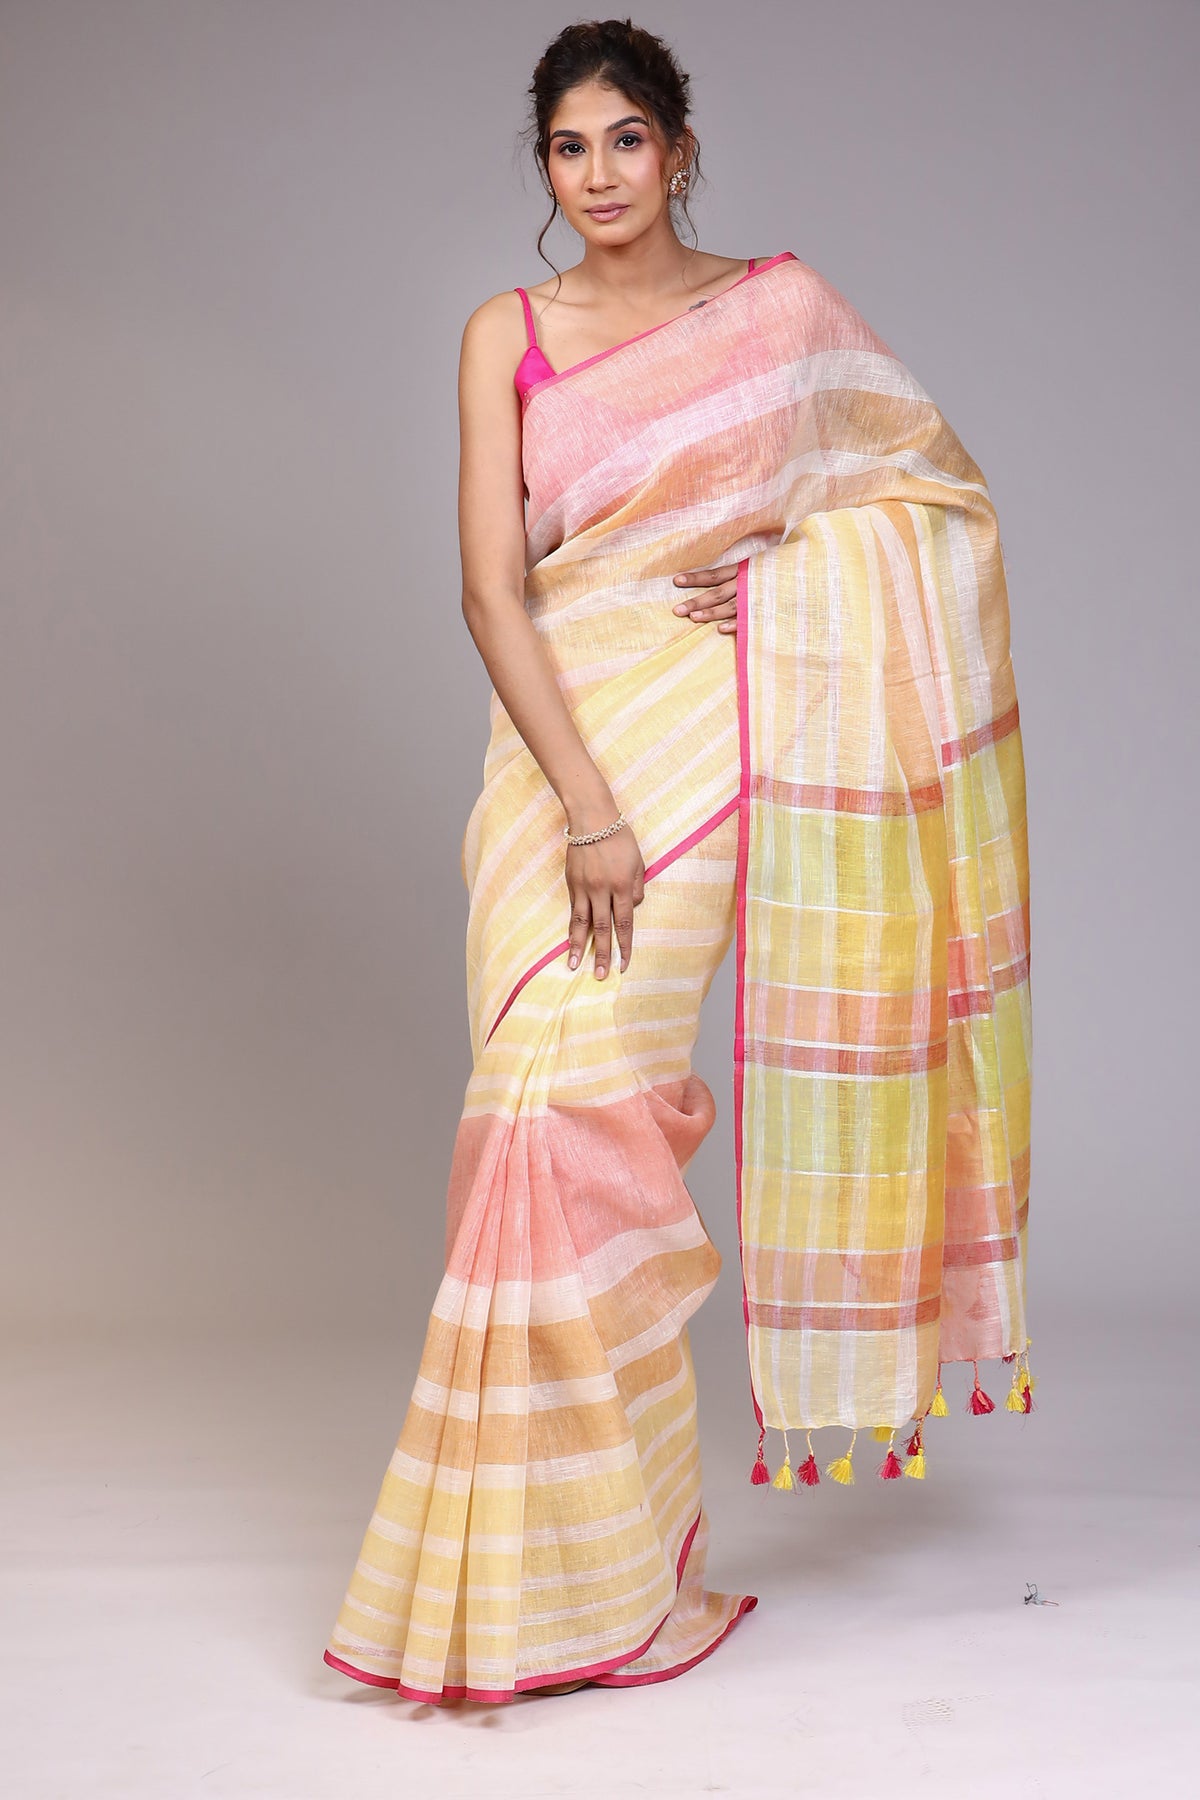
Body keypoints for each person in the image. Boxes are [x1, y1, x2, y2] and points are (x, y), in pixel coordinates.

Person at [323, 16, 1033, 1706]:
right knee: (528, 1111)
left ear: (680, 149)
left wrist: (787, 584)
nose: (599, 176)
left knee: (595, 1122)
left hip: (716, 736)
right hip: (556, 758)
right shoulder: (506, 333)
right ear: (544, 165)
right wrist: (585, 805)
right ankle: (543, 1580)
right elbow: (491, 589)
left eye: (626, 141)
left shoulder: (778, 313)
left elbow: (939, 505)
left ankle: (607, 1585)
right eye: (570, 148)